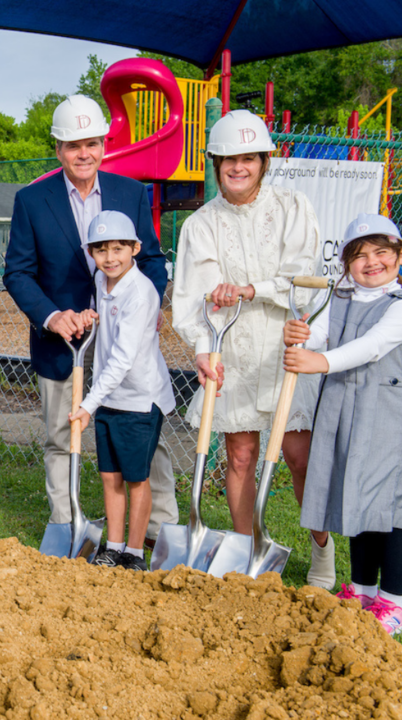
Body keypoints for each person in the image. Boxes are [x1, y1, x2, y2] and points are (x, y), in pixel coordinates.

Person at [3, 94, 175, 547]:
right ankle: (68, 523)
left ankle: (157, 528)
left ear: (104, 145)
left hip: (126, 338)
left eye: (93, 143)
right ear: (58, 149)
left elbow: (153, 260)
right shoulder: (32, 200)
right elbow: (17, 271)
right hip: (65, 340)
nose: (85, 154)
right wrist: (52, 315)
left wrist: (149, 307)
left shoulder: (131, 193)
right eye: (74, 145)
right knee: (63, 432)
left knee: (144, 435)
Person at [171, 109, 332, 587]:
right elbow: (189, 299)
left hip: (284, 351)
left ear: (264, 161)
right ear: (215, 162)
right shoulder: (199, 226)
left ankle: (322, 550)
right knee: (239, 456)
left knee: (300, 457)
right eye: (228, 159)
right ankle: (247, 552)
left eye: (248, 158)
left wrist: (247, 288)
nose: (237, 167)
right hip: (234, 354)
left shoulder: (292, 207)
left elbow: (303, 281)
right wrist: (203, 348)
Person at [283, 213, 402, 635]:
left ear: (398, 257)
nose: (372, 262)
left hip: (386, 422)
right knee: (355, 500)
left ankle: (393, 601)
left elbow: (372, 347)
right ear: (347, 263)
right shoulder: (341, 299)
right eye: (360, 255)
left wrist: (321, 361)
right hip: (346, 419)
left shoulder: (398, 305)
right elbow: (317, 337)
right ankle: (362, 588)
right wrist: (299, 336)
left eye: (381, 253)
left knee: (388, 511)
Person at [68, 212, 176, 570]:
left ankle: (134, 551)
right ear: (91, 254)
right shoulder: (102, 279)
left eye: (118, 248)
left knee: (135, 478)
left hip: (139, 398)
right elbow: (106, 324)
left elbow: (123, 359)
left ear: (135, 248)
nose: (110, 257)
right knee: (109, 475)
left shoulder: (141, 293)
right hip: (110, 395)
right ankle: (113, 546)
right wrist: (90, 315)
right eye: (101, 250)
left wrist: (87, 405)